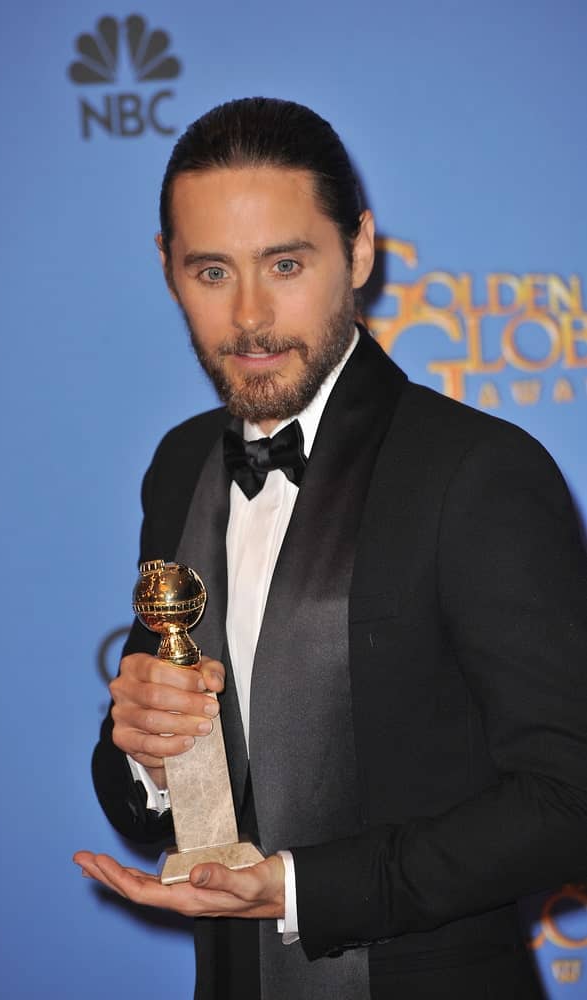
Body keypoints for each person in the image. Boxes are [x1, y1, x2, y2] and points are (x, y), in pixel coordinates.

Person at [74, 97, 587, 999]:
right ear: (166, 270)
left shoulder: (478, 472)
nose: (250, 318)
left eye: (285, 263)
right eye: (210, 271)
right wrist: (148, 757)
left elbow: (568, 799)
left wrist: (301, 888)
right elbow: (153, 793)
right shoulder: (179, 464)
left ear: (357, 250)